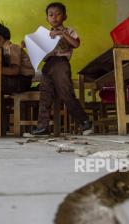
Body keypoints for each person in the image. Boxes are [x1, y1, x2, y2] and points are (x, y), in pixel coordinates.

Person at [30, 2, 92, 136]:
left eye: (58, 14)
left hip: (61, 64)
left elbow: (76, 43)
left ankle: (85, 121)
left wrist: (62, 34)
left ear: (65, 17)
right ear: (47, 19)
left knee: (66, 92)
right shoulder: (44, 34)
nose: (54, 17)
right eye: (51, 15)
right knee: (45, 96)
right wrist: (28, 45)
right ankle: (43, 126)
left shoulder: (68, 31)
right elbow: (38, 51)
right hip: (47, 66)